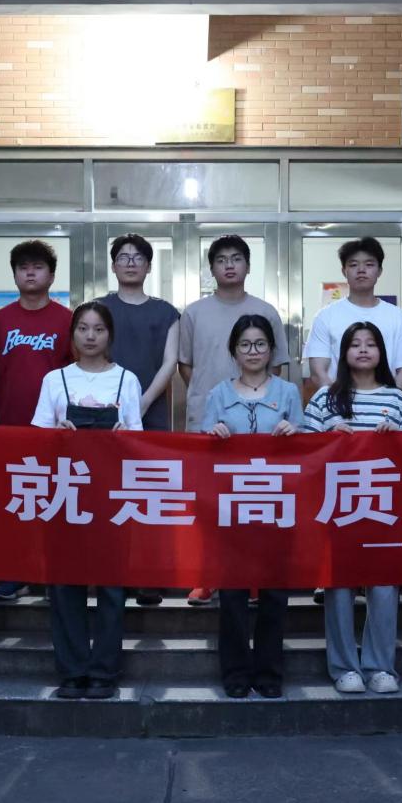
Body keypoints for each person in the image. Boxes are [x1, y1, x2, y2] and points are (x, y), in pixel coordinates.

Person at [31, 301, 142, 700]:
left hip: (113, 496)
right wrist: (56, 435)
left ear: (110, 335)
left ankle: (104, 672)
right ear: (72, 334)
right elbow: (35, 439)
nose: (90, 336)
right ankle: (72, 671)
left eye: (98, 329)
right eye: (83, 328)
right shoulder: (54, 380)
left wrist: (122, 436)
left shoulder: (126, 379)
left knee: (112, 587)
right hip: (65, 494)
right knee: (65, 586)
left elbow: (139, 440)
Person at [302, 322, 402, 694]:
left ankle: (380, 666)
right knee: (339, 589)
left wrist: (397, 439)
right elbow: (302, 454)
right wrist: (328, 438)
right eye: (355, 344)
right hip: (337, 509)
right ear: (344, 352)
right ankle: (344, 667)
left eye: (371, 344)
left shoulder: (397, 399)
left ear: (382, 352)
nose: (363, 350)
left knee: (383, 590)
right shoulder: (325, 398)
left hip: (384, 509)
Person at [179, 234, 290, 606]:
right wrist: (214, 402)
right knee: (210, 506)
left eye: (236, 258)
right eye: (221, 259)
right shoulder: (194, 312)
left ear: (248, 265)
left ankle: (255, 578)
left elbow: (276, 367)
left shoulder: (266, 311)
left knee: (256, 504)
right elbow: (186, 366)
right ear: (211, 268)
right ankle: (208, 577)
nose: (229, 265)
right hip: (210, 425)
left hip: (260, 429)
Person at [202, 315, 303, 699]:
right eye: (245, 344)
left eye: (260, 344)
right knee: (232, 595)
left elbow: (307, 447)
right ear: (234, 351)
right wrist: (212, 435)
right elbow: (201, 452)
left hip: (277, 507)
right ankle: (235, 672)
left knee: (275, 594)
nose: (253, 351)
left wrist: (295, 432)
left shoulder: (288, 392)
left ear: (271, 350)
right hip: (232, 509)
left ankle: (269, 672)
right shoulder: (218, 394)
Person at [0, 239, 74, 603]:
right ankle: (15, 574)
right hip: (10, 427)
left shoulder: (67, 320)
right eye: (23, 267)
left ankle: (55, 576)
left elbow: (77, 373)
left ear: (51, 275)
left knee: (57, 502)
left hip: (56, 431)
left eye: (38, 267)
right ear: (15, 275)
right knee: (15, 503)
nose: (30, 273)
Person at [99, 234, 179, 607]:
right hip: (104, 416)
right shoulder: (98, 309)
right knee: (109, 496)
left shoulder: (167, 312)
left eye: (138, 258)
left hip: (152, 414)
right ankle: (112, 573)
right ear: (113, 265)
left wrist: (141, 404)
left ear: (148, 266)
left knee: (148, 497)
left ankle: (149, 576)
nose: (130, 263)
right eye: (123, 257)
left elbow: (170, 362)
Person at [305, 236, 402, 392]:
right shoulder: (325, 316)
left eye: (369, 264)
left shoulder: (398, 317)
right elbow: (318, 372)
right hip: (338, 404)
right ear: (344, 271)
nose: (361, 270)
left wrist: (389, 402)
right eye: (353, 265)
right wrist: (337, 402)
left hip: (386, 405)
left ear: (379, 271)